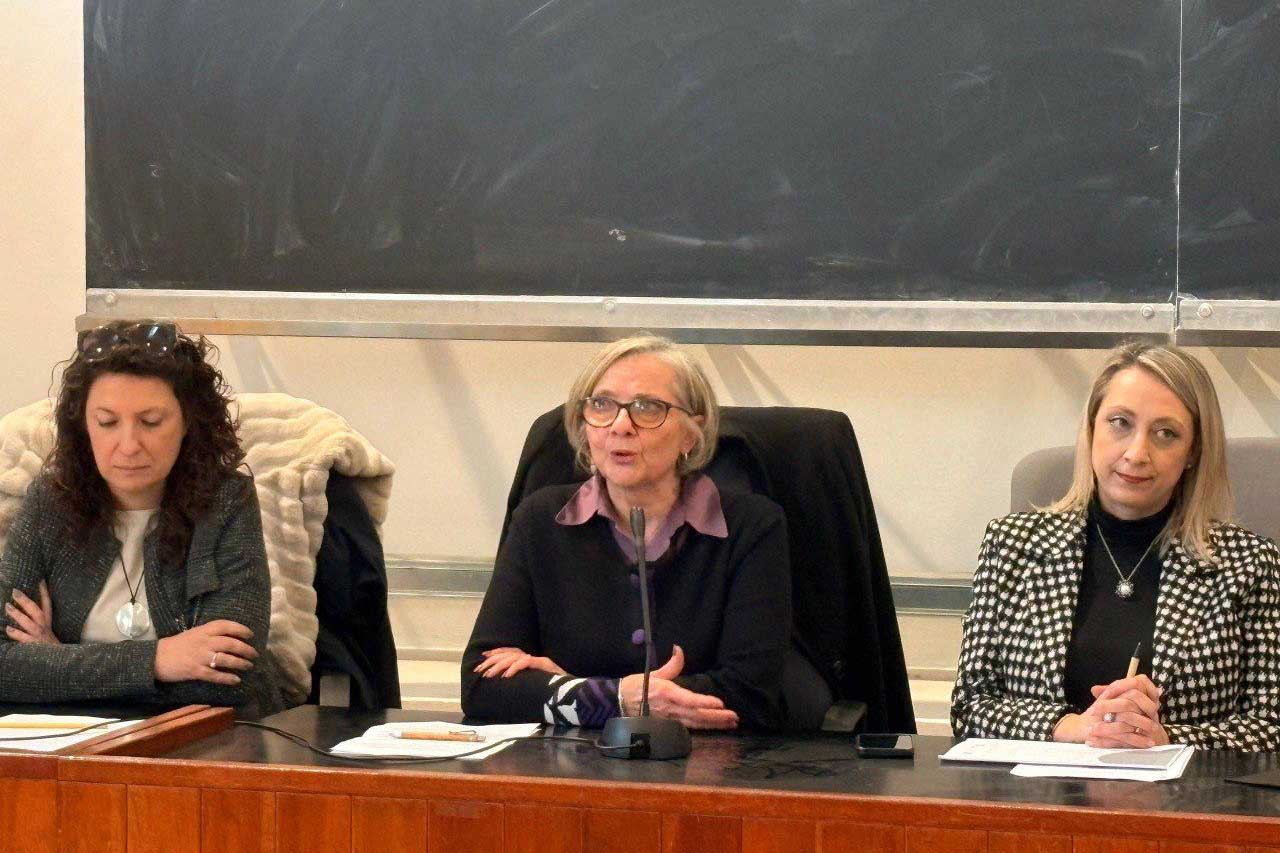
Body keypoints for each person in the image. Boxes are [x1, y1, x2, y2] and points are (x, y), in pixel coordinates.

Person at [952, 341, 1280, 751]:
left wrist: (1163, 737)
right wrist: (1072, 726)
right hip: (1038, 801)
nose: (1137, 453)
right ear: (1091, 430)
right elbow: (969, 706)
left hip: (1183, 805)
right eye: (1120, 423)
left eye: (1166, 433)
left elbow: (1270, 725)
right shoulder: (1012, 545)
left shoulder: (1249, 564)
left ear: (1193, 451)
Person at [461, 335, 791, 730]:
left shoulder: (751, 527)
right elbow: (482, 685)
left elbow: (748, 693)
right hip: (569, 773)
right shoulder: (540, 520)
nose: (620, 425)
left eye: (647, 408)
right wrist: (615, 699)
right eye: (601, 405)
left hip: (705, 772)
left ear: (691, 433)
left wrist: (571, 689)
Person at [0, 321, 283, 718]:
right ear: (84, 426)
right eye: (107, 422)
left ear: (187, 423)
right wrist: (159, 659)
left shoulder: (225, 503)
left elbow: (229, 677)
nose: (129, 445)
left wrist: (60, 663)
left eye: (150, 422)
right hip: (75, 750)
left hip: (203, 746)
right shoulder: (49, 504)